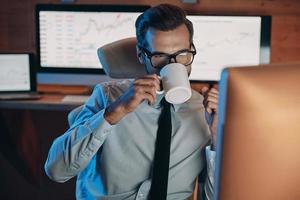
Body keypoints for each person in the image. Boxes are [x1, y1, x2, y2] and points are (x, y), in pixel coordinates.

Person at [44, 4, 219, 200]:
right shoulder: (109, 96)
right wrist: (114, 113)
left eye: (182, 54)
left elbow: (215, 196)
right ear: (140, 55)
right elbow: (56, 170)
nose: (173, 64)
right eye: (159, 56)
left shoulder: (205, 111)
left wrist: (216, 136)